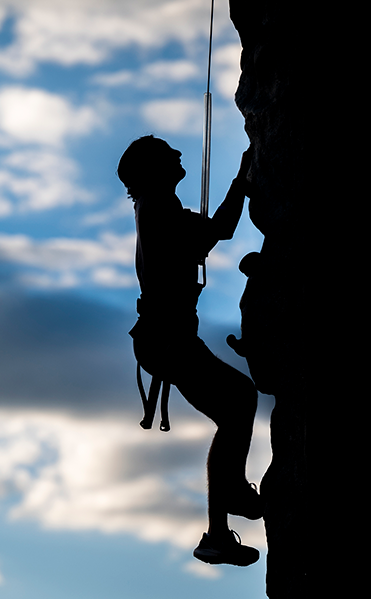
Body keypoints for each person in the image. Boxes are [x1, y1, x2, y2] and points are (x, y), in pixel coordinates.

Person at [117, 135, 262, 567]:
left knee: (237, 403)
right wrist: (241, 178)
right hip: (168, 339)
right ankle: (225, 508)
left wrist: (241, 181)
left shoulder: (156, 207)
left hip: (166, 338)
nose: (179, 155)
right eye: (167, 153)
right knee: (239, 400)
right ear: (150, 169)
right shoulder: (156, 206)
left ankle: (220, 524)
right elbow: (220, 230)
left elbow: (214, 232)